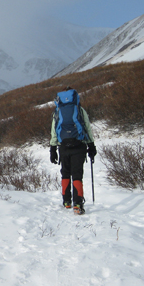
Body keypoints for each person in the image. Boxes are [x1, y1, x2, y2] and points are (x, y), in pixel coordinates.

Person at [49, 87, 96, 215]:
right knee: (77, 174)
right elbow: (87, 128)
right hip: (79, 146)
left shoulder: (57, 111)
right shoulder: (80, 110)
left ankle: (66, 201)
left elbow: (54, 130)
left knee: (65, 173)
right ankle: (78, 204)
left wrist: (53, 148)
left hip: (63, 147)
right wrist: (91, 145)